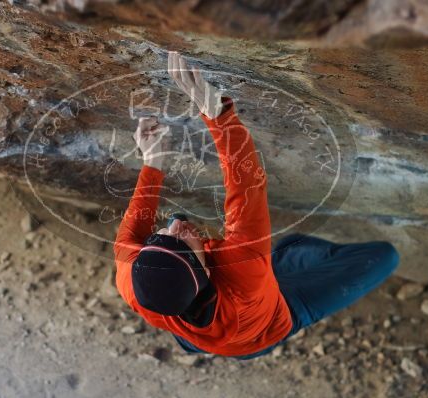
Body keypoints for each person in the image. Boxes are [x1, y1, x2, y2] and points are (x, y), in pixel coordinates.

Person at [114, 51, 399, 360]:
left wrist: (153, 162)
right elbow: (247, 186)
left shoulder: (132, 283)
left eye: (160, 238)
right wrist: (217, 114)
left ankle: (194, 338)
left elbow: (135, 229)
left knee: (195, 313)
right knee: (384, 257)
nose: (175, 227)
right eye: (182, 242)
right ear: (207, 271)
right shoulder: (242, 273)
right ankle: (284, 257)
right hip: (272, 322)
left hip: (196, 333)